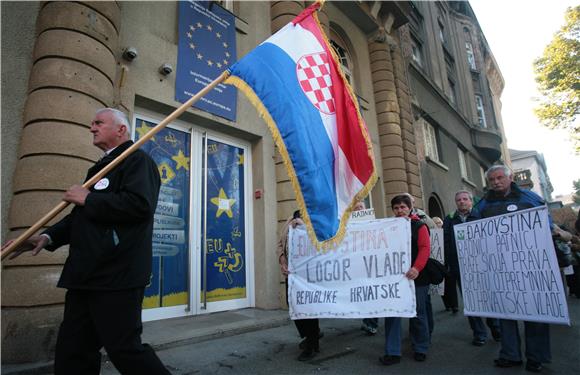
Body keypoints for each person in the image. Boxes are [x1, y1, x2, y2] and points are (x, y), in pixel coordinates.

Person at [3, 108, 170, 375]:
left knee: (124, 349)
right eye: (92, 123)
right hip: (85, 274)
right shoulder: (100, 168)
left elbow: (140, 206)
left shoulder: (137, 161)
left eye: (98, 123)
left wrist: (88, 198)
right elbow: (79, 219)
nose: (91, 127)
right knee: (73, 349)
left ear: (121, 129)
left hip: (117, 276)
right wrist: (46, 237)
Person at [473, 165, 550, 373]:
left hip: (531, 267)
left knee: (535, 313)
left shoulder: (530, 198)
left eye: (500, 178)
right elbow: (472, 230)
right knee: (506, 313)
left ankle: (536, 357)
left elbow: (545, 223)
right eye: (492, 180)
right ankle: (510, 354)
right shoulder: (482, 204)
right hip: (500, 269)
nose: (496, 182)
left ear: (510, 177)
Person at [443, 190, 501, 344]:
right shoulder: (450, 219)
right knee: (470, 301)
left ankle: (495, 327)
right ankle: (479, 333)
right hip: (461, 268)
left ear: (471, 201)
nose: (462, 202)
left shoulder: (480, 215)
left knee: (488, 299)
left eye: (465, 199)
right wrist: (449, 265)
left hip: (483, 266)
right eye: (459, 200)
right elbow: (446, 243)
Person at [379, 194, 430, 365]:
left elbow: (424, 249)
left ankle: (420, 347)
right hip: (394, 279)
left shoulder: (419, 226)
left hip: (417, 277)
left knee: (418, 313)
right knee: (392, 313)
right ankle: (392, 351)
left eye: (403, 207)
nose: (400, 210)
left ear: (409, 208)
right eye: (396, 208)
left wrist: (416, 268)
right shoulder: (388, 227)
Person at [277, 209, 321, 361]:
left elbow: (323, 243)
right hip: (292, 273)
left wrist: (304, 227)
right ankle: (311, 335)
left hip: (309, 274)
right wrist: (282, 260)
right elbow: (280, 243)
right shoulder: (291, 217)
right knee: (293, 304)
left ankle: (312, 344)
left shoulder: (316, 217)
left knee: (308, 308)